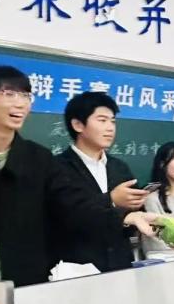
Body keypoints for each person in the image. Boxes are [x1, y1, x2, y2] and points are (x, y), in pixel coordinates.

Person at [0, 65, 157, 304]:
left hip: (22, 291)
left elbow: (74, 206)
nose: (21, 103)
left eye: (26, 95)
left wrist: (125, 214)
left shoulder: (39, 159)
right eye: (9, 94)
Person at [52, 91, 149, 271]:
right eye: (102, 120)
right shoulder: (57, 167)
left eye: (113, 121)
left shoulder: (119, 167)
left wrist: (136, 211)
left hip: (120, 268)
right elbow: (67, 216)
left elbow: (130, 222)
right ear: (78, 124)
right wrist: (111, 200)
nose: (110, 128)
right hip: (77, 271)